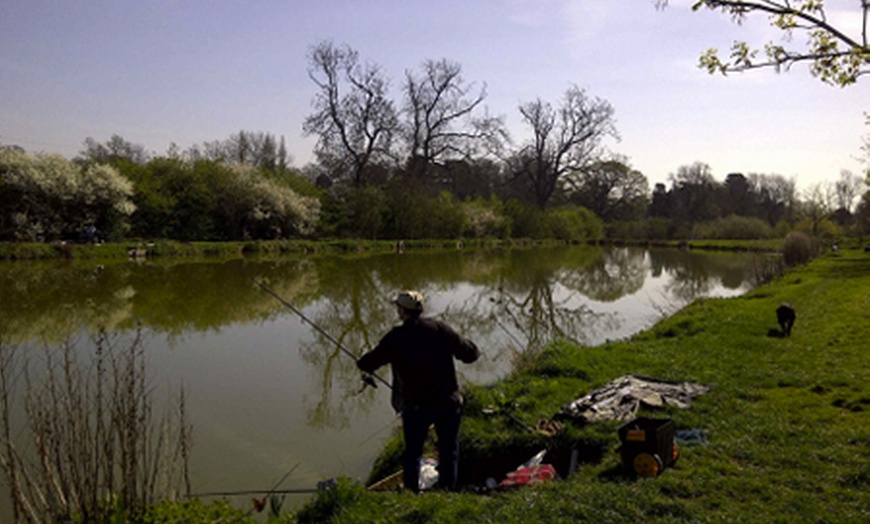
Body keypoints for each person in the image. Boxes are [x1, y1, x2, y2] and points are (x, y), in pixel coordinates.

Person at [357, 290, 480, 492]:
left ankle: (412, 493)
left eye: (398, 308)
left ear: (402, 311)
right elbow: (470, 354)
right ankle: (447, 491)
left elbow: (369, 362)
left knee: (412, 453)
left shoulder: (396, 337)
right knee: (449, 450)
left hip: (417, 406)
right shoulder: (441, 329)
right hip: (448, 401)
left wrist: (361, 362)